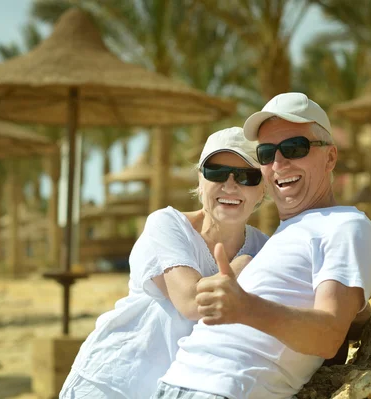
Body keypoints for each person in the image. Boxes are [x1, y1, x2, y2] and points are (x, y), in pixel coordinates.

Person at [153, 92, 371, 399]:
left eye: (294, 148)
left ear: (330, 157)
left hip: (223, 391)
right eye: (266, 153)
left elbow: (328, 334)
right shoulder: (281, 237)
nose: (278, 163)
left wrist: (247, 307)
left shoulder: (346, 226)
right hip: (172, 384)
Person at [60, 127, 269, 399]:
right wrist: (244, 264)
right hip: (109, 383)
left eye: (246, 176)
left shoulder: (265, 246)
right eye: (216, 173)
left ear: (263, 188)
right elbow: (193, 303)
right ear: (200, 179)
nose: (230, 185)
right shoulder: (168, 224)